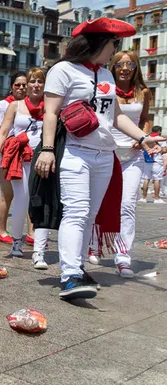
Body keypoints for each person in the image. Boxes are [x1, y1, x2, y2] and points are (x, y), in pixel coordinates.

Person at [35, 17, 164, 300]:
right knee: (77, 212)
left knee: (90, 216)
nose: (115, 50)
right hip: (75, 153)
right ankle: (69, 275)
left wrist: (143, 139)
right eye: (112, 44)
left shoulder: (105, 76)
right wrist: (46, 150)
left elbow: (115, 116)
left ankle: (79, 268)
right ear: (97, 44)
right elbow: (51, 113)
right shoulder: (62, 70)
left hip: (105, 157)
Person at [86, 51, 153, 277]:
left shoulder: (143, 92)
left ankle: (123, 257)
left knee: (127, 205)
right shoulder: (106, 89)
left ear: (136, 68)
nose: (125, 68)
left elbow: (145, 119)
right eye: (120, 64)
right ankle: (94, 245)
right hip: (107, 152)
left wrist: (141, 137)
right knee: (99, 203)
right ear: (113, 67)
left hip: (132, 157)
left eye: (130, 64)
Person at [0, 68, 49, 269]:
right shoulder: (15, 106)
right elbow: (4, 131)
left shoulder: (51, 105)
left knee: (41, 204)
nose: (34, 85)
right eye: (31, 81)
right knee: (22, 201)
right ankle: (17, 240)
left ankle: (39, 249)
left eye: (39, 81)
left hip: (43, 160)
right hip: (20, 161)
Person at [0, 72, 28, 244]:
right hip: (9, 153)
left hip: (26, 152)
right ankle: (2, 231)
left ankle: (31, 232)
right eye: (17, 84)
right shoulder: (3, 105)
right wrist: (1, 154)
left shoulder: (31, 104)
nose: (21, 87)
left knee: (28, 194)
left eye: (24, 84)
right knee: (8, 194)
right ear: (12, 86)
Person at [140, 124, 164, 203]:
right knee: (157, 180)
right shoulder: (160, 139)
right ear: (159, 131)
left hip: (147, 161)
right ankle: (156, 198)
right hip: (157, 162)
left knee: (146, 179)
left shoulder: (147, 137)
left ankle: (144, 198)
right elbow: (163, 150)